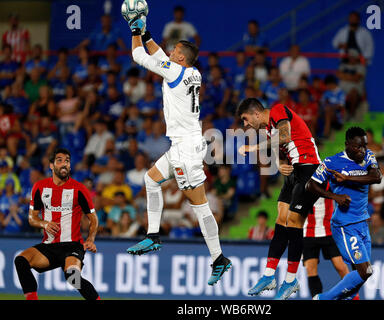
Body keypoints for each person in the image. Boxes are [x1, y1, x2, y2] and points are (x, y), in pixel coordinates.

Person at [124, 14, 231, 286]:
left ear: (181, 58)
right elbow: (155, 55)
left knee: (200, 205)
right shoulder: (193, 72)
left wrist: (138, 30)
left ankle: (219, 258)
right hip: (182, 145)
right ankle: (153, 235)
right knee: (151, 179)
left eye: (174, 51)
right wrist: (143, 32)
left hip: (187, 149)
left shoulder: (174, 70)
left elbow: (141, 56)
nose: (170, 52)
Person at [237, 97, 321, 300]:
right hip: (294, 170)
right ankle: (269, 275)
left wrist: (254, 148)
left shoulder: (278, 110)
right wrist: (280, 164)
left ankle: (291, 280)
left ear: (257, 113)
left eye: (246, 119)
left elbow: (284, 136)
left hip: (309, 167)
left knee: (293, 222)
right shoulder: (268, 130)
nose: (245, 125)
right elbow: (280, 152)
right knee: (280, 220)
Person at [13, 148, 100, 300]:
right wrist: (44, 224)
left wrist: (90, 239)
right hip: (49, 246)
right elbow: (32, 218)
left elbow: (93, 219)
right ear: (51, 166)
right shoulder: (39, 187)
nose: (64, 164)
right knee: (21, 261)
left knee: (72, 276)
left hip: (73, 245)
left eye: (67, 161)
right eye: (59, 160)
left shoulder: (79, 189)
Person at [306, 127, 382, 300]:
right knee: (365, 270)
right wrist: (334, 196)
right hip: (345, 225)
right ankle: (322, 298)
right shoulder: (331, 162)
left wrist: (347, 178)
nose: (362, 150)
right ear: (347, 145)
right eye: (358, 147)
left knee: (362, 273)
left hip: (363, 223)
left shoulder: (369, 156)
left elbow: (376, 177)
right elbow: (310, 185)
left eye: (364, 145)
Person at [302, 191, 360, 300]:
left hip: (330, 231)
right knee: (311, 269)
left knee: (341, 267)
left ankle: (354, 297)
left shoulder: (329, 179)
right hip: (307, 232)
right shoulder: (302, 179)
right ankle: (316, 298)